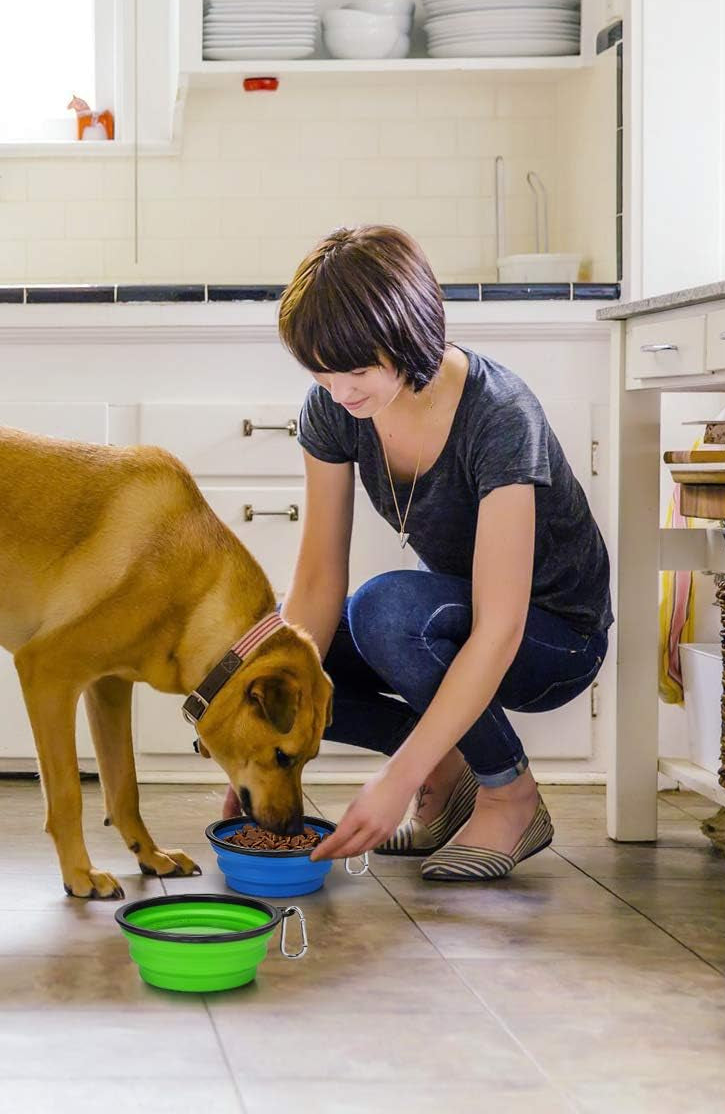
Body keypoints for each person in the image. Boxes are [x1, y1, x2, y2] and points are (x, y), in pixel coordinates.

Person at [224, 225, 612, 881]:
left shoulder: (500, 415)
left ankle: (509, 794)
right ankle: (447, 769)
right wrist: (255, 736)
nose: (340, 391)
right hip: (452, 624)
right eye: (320, 372)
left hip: (553, 639)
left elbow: (502, 626)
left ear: (408, 336)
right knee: (274, 667)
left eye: (356, 370)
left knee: (385, 610)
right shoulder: (332, 409)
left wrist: (394, 781)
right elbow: (316, 583)